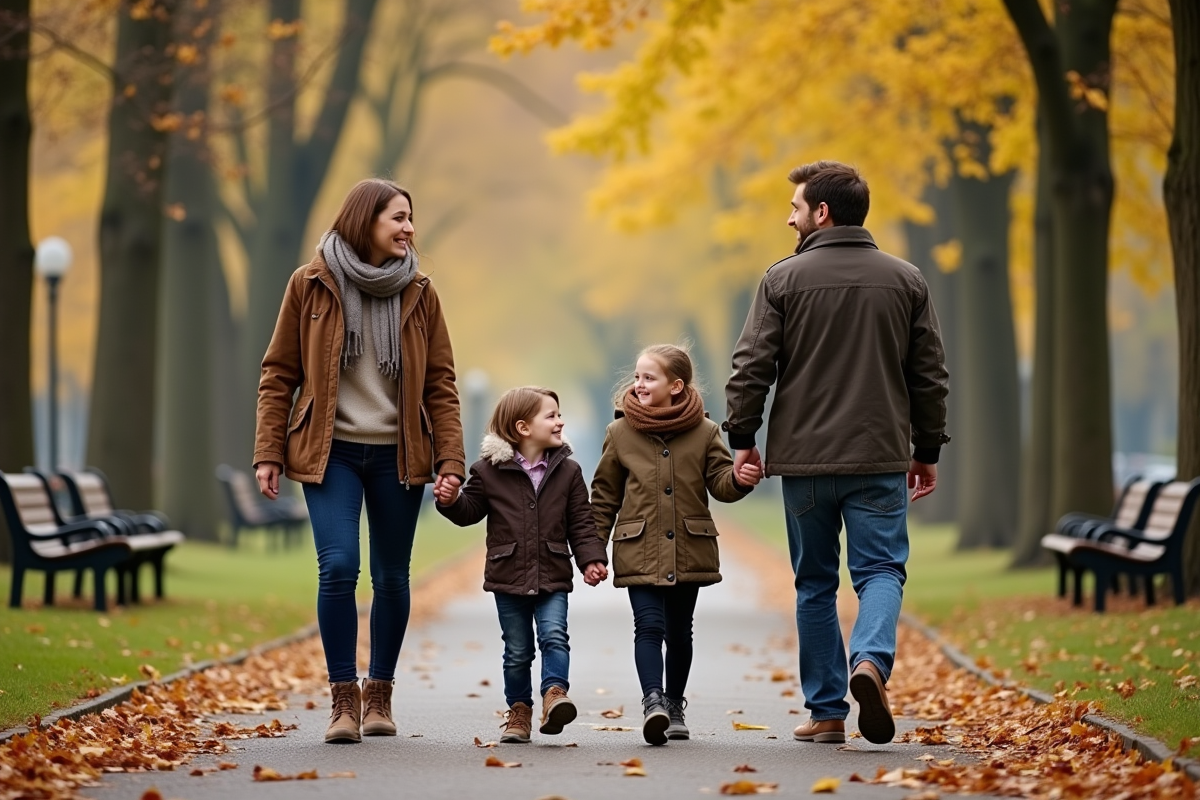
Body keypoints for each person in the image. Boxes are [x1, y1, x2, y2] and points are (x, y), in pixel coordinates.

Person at [724, 161, 949, 745]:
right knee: (880, 571)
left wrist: (742, 440)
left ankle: (827, 713)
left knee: (815, 583)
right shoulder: (906, 280)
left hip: (803, 464)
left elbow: (750, 368)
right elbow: (929, 375)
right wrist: (926, 449)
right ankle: (869, 661)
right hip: (879, 456)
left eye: (795, 208)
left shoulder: (781, 280)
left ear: (821, 213)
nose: (789, 219)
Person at [253, 178, 466, 744]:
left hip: (400, 453)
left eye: (410, 218)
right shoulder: (310, 283)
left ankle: (380, 695)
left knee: (392, 575)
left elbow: (441, 384)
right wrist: (269, 450)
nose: (409, 228)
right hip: (332, 452)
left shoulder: (419, 292)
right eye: (398, 217)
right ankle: (343, 698)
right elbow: (279, 373)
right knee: (339, 566)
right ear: (364, 220)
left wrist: (450, 458)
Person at [591, 344, 763, 745]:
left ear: (676, 386)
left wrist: (739, 479)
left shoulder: (705, 431)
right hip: (638, 548)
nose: (639, 384)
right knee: (648, 626)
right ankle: (652, 702)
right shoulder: (619, 433)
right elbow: (604, 496)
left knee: (680, 633)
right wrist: (593, 549)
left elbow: (720, 482)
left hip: (688, 547)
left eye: (649, 378)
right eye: (637, 376)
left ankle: (674, 704)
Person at [433, 387, 609, 744]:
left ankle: (555, 694)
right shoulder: (488, 471)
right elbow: (469, 511)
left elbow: (581, 522)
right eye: (551, 415)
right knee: (517, 651)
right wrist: (450, 501)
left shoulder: (569, 471)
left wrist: (591, 559)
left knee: (554, 635)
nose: (560, 422)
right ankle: (519, 711)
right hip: (508, 575)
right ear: (523, 427)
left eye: (560, 414)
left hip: (553, 573)